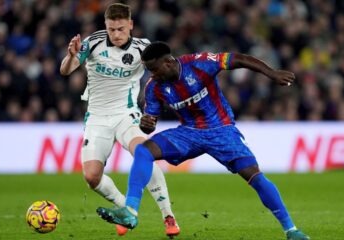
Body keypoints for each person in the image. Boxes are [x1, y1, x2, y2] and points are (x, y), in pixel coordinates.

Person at [96, 42, 310, 240]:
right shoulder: (154, 87)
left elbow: (240, 59)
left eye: (155, 69)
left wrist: (271, 74)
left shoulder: (199, 63)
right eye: (149, 70)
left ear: (169, 62)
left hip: (221, 130)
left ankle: (291, 230)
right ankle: (130, 211)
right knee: (144, 150)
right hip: (189, 133)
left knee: (254, 176)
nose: (153, 75)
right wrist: (147, 125)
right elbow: (148, 123)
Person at [59, 4, 180, 237]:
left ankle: (168, 216)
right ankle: (126, 209)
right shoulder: (93, 42)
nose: (115, 34)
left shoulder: (142, 49)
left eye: (121, 29)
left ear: (131, 25)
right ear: (105, 25)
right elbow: (66, 71)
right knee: (91, 177)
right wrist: (70, 56)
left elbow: (166, 72)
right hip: (96, 119)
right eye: (111, 29)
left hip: (127, 115)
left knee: (144, 153)